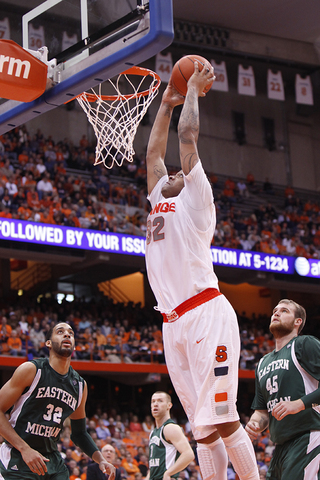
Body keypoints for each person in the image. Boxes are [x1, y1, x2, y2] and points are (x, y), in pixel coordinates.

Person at [145, 62, 259, 480]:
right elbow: (153, 155)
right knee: (202, 428)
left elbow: (186, 138)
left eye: (180, 173)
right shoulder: (159, 198)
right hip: (172, 323)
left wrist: (191, 89)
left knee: (223, 418)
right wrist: (166, 103)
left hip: (205, 313)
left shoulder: (196, 200)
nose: (171, 173)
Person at [0, 322, 116, 480]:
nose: (67, 335)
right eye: (60, 332)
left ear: (74, 346)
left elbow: (80, 433)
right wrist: (24, 449)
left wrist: (101, 460)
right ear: (48, 343)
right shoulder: (32, 370)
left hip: (52, 461)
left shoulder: (80, 386)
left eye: (71, 333)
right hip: (18, 455)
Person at [246, 299, 320, 479]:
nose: (276, 313)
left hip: (308, 435)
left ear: (298, 322)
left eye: (284, 311)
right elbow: (262, 412)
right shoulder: (263, 362)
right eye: (275, 310)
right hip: (280, 446)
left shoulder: (304, 344)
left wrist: (299, 404)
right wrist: (255, 424)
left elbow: (296, 405)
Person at [147, 391, 194, 480]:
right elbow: (154, 466)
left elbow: (188, 454)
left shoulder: (170, 428)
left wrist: (169, 473)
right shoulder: (153, 433)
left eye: (160, 401)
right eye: (153, 401)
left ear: (169, 405)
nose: (155, 404)